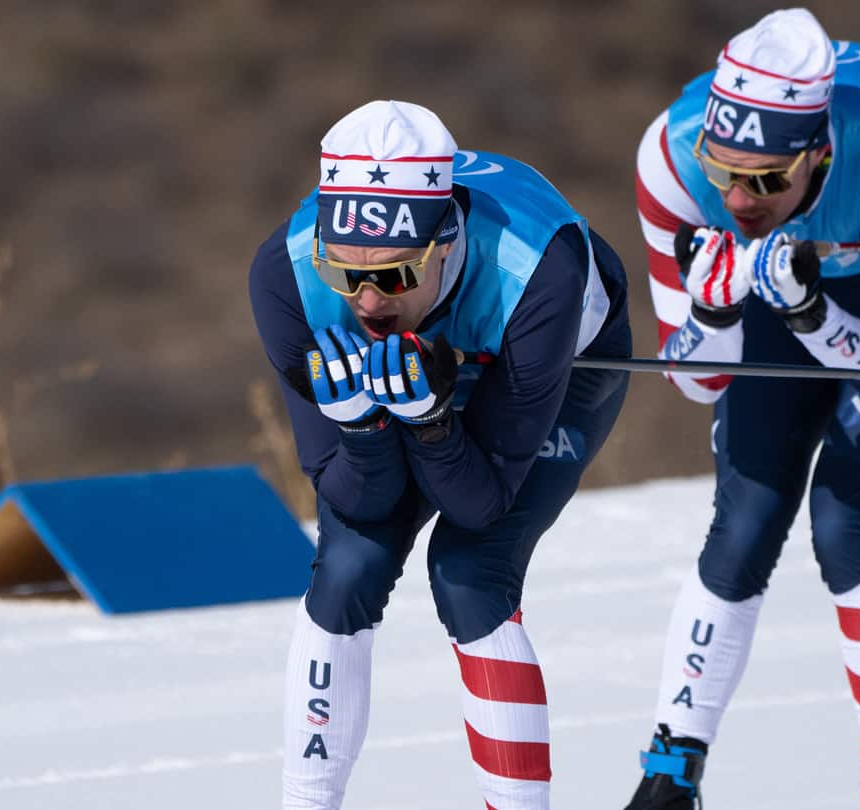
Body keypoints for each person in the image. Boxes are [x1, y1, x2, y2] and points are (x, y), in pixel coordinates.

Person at [626, 9, 860, 809]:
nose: (741, 200)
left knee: (846, 520)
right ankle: (670, 769)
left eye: (766, 180)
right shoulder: (670, 160)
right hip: (784, 283)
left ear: (817, 152)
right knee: (745, 518)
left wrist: (811, 314)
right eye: (727, 174)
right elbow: (694, 383)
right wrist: (716, 317)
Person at [249, 100, 630, 810]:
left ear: (447, 244)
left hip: (553, 355)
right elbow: (356, 501)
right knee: (348, 565)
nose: (366, 302)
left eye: (394, 276)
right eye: (347, 275)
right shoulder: (287, 274)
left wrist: (431, 425)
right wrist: (363, 427)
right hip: (432, 365)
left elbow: (480, 503)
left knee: (470, 570)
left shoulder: (538, 271)